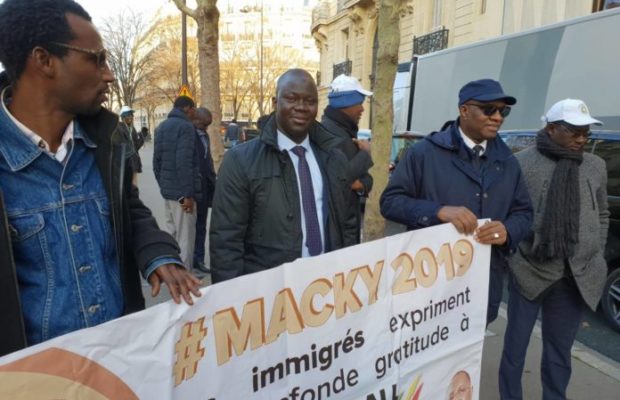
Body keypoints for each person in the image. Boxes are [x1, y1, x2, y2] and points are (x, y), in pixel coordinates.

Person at [0, 0, 200, 355]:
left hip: (120, 363)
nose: (108, 74)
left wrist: (158, 253)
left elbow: (129, 210)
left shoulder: (104, 142)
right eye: (96, 59)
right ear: (43, 60)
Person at [380, 78, 533, 325]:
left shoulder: (508, 162)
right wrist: (437, 211)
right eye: (489, 109)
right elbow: (389, 203)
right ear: (464, 110)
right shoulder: (423, 153)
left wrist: (508, 230)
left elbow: (524, 213)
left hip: (482, 286)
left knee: (468, 361)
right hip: (430, 287)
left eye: (503, 111)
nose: (498, 117)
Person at [499, 99, 609, 400]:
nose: (582, 139)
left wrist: (596, 249)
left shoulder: (595, 165)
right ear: (550, 128)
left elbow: (602, 213)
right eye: (574, 131)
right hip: (530, 269)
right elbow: (509, 214)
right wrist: (515, 255)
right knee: (515, 348)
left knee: (559, 351)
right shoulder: (521, 163)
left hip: (575, 274)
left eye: (586, 132)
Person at [210, 68, 357, 283]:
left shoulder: (335, 158)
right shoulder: (240, 161)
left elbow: (348, 225)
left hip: (327, 287)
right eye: (291, 98)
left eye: (310, 101)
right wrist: (233, 302)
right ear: (274, 102)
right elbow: (226, 242)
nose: (301, 107)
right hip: (269, 293)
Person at [321, 74, 374, 243]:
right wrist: (365, 153)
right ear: (346, 103)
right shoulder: (332, 136)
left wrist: (362, 184)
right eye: (359, 103)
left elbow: (362, 178)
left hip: (345, 227)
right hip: (340, 232)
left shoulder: (341, 131)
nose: (362, 109)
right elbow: (340, 179)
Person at [153, 96, 202, 272]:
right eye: (194, 108)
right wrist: (187, 195)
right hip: (182, 195)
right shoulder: (186, 127)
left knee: (171, 234)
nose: (195, 112)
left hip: (168, 193)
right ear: (187, 108)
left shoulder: (162, 127)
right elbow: (184, 163)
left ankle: (173, 272)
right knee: (185, 237)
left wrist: (164, 187)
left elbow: (156, 162)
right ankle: (184, 278)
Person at [192, 107, 216, 274]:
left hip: (206, 186)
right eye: (204, 124)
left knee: (201, 225)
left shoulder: (204, 135)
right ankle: (191, 259)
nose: (206, 128)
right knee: (192, 227)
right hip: (193, 188)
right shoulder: (189, 134)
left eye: (208, 125)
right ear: (195, 119)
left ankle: (198, 259)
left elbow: (208, 160)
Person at [117, 105, 143, 184]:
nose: (131, 117)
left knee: (134, 184)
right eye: (128, 115)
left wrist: (142, 137)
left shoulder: (132, 129)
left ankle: (134, 195)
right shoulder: (119, 128)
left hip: (134, 161)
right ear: (123, 117)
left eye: (131, 115)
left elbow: (136, 147)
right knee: (127, 185)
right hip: (125, 162)